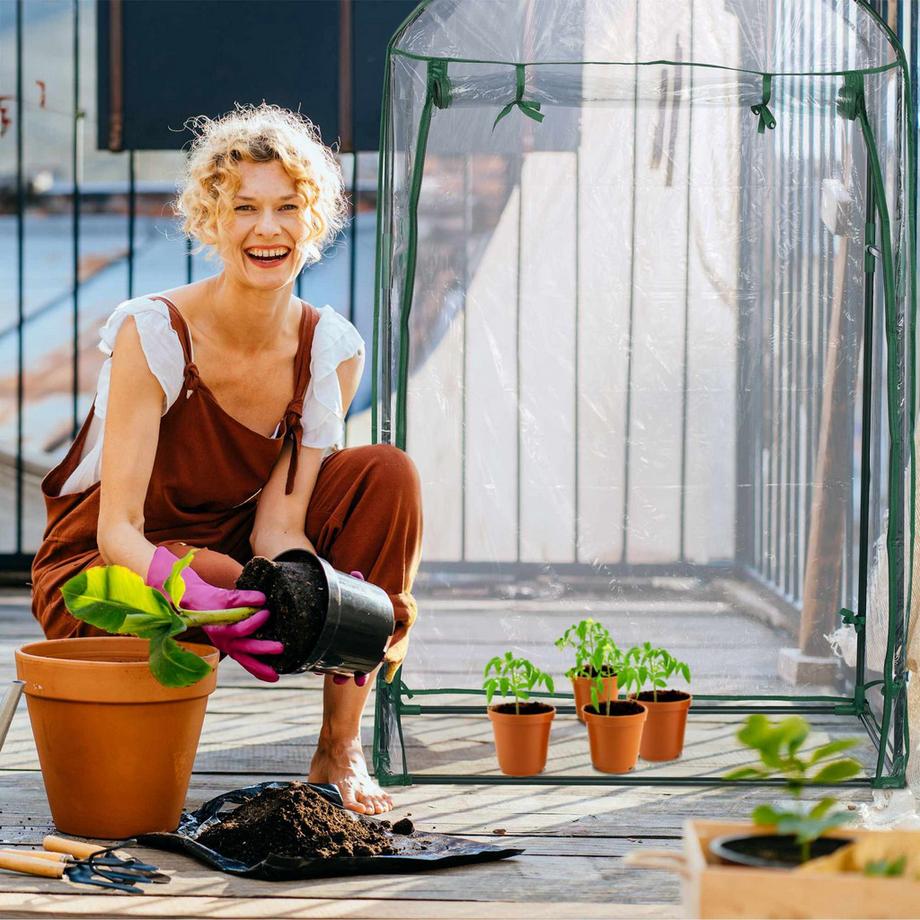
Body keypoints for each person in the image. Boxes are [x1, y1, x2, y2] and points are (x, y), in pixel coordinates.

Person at [30, 103, 423, 816]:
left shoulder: (328, 349)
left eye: (288, 206)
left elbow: (280, 526)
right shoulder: (154, 332)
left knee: (386, 473)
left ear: (317, 221)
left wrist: (324, 593)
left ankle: (340, 746)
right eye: (244, 207)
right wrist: (211, 591)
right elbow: (117, 530)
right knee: (201, 569)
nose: (267, 228)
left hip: (233, 549)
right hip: (105, 570)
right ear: (211, 220)